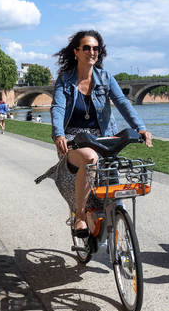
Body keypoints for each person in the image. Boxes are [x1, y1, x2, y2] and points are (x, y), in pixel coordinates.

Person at [50, 30, 152, 238]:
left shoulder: (106, 78)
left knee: (113, 191)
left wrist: (140, 127)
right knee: (90, 158)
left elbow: (122, 103)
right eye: (86, 47)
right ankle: (79, 216)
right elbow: (58, 108)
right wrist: (59, 134)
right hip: (74, 140)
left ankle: (120, 236)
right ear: (76, 52)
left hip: (103, 137)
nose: (92, 51)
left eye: (95, 48)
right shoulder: (64, 79)